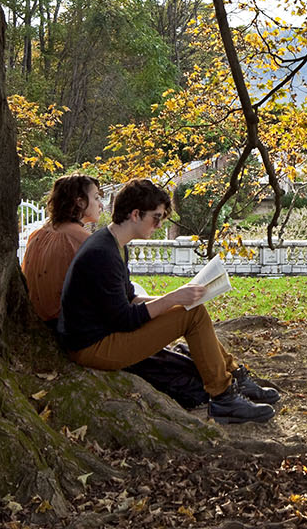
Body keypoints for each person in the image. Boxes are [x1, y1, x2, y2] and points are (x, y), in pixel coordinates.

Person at [57, 178, 279, 424]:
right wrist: (173, 298)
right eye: (156, 217)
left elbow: (130, 297)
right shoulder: (102, 252)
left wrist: (179, 298)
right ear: (135, 214)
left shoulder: (115, 245)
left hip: (106, 334)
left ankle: (234, 376)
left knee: (191, 308)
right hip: (92, 348)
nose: (159, 224)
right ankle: (224, 397)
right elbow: (124, 319)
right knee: (190, 314)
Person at [21, 174, 103, 325]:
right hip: (68, 327)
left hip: (36, 322)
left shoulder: (37, 235)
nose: (101, 205)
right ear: (80, 202)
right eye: (96, 198)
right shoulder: (83, 241)